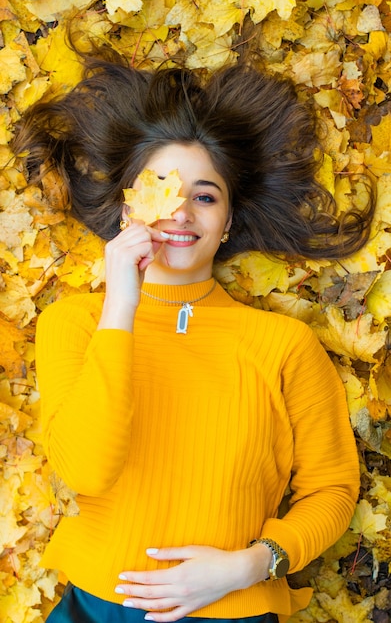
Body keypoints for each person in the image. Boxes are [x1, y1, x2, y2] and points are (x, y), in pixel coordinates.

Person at [13, 49, 374, 623]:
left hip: (237, 610)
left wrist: (248, 567)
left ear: (226, 221)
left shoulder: (282, 345)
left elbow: (332, 491)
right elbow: (84, 469)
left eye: (204, 196)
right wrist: (122, 307)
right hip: (99, 608)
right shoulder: (77, 323)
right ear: (127, 207)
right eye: (161, 189)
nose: (180, 212)